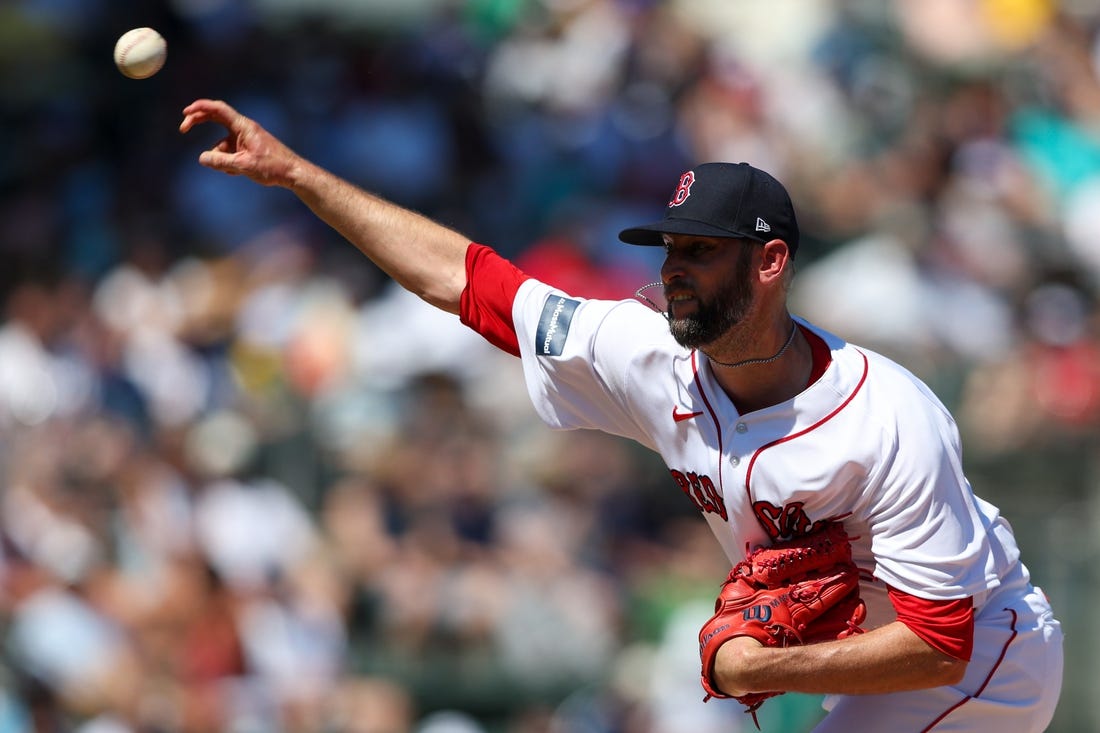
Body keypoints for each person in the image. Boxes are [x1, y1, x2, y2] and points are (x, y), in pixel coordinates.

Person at [179, 98, 1064, 732]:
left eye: (702, 252)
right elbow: (470, 281)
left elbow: (941, 642)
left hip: (990, 658)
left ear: (771, 263)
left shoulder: (889, 417)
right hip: (877, 663)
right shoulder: (643, 353)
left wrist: (757, 667)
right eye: (669, 247)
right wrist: (297, 176)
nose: (674, 268)